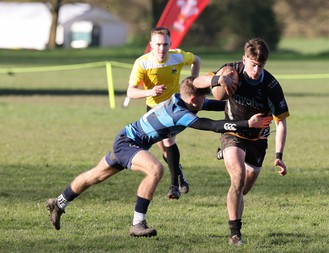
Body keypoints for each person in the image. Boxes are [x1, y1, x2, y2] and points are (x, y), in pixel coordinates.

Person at [46, 77, 272, 238]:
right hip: (129, 142)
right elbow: (213, 125)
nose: (206, 102)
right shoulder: (180, 114)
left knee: (95, 175)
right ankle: (137, 224)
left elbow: (219, 105)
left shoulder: (182, 98)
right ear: (194, 101)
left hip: (128, 137)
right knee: (155, 170)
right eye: (202, 101)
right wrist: (246, 124)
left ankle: (58, 203)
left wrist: (247, 106)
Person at [193, 38, 290, 246]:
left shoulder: (271, 86)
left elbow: (280, 123)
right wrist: (218, 80)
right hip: (233, 132)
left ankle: (228, 163)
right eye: (253, 64)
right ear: (244, 59)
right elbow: (195, 82)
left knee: (242, 188)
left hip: (258, 139)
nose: (256, 70)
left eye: (260, 66)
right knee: (237, 178)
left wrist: (279, 156)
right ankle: (235, 234)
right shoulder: (231, 71)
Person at [126, 26, 201, 200]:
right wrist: (149, 92)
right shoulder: (142, 63)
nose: (162, 49)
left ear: (170, 44)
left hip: (175, 105)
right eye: (158, 44)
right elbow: (130, 92)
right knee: (165, 148)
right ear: (151, 44)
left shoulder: (177, 56)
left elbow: (196, 60)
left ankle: (174, 186)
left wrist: (192, 84)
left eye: (165, 44)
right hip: (153, 108)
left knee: (168, 140)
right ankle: (180, 174)